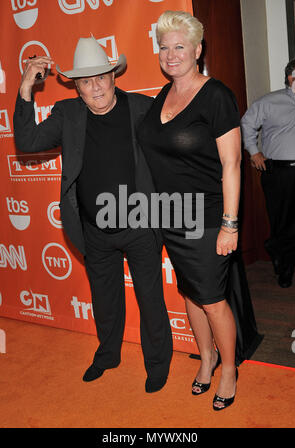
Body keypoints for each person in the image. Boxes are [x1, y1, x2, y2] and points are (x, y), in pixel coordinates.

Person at [13, 36, 173, 393]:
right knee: (105, 299)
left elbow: (175, 152)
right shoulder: (67, 115)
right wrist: (26, 85)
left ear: (114, 76)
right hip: (93, 228)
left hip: (141, 223)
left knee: (150, 297)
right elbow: (27, 142)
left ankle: (158, 365)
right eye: (86, 81)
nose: (95, 86)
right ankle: (107, 355)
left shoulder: (143, 108)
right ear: (77, 88)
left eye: (101, 77)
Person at [138, 10, 262, 410]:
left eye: (179, 47)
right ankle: (206, 357)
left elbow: (231, 165)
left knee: (212, 298)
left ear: (197, 49)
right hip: (173, 217)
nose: (171, 55)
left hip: (208, 218)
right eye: (164, 47)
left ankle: (228, 368)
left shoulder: (216, 95)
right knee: (192, 294)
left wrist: (230, 225)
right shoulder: (163, 95)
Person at [241, 58, 295, 288]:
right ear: (289, 77)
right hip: (280, 174)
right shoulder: (269, 101)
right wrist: (254, 152)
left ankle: (277, 250)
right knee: (283, 223)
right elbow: (246, 124)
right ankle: (282, 263)